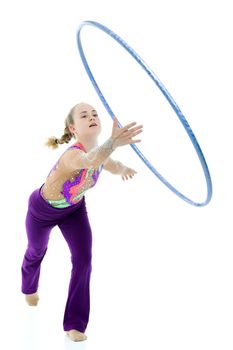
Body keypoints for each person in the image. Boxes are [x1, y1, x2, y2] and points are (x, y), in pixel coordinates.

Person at [21, 102, 143, 342]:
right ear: (73, 128)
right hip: (41, 210)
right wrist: (113, 143)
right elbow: (88, 160)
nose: (92, 116)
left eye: (95, 113)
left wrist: (125, 168)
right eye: (84, 115)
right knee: (36, 250)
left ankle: (75, 324)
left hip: (74, 211)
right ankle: (29, 286)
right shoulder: (72, 155)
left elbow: (112, 165)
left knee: (84, 259)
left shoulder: (102, 153)